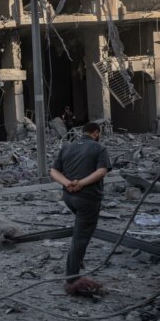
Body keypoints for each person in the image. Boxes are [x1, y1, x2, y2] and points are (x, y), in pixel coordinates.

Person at [49, 122, 112, 295]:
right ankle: (72, 280)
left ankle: (78, 261)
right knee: (81, 237)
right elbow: (101, 172)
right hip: (88, 200)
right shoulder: (99, 148)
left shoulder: (67, 148)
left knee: (81, 229)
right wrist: (81, 183)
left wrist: (68, 183)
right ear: (96, 133)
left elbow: (53, 172)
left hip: (69, 198)